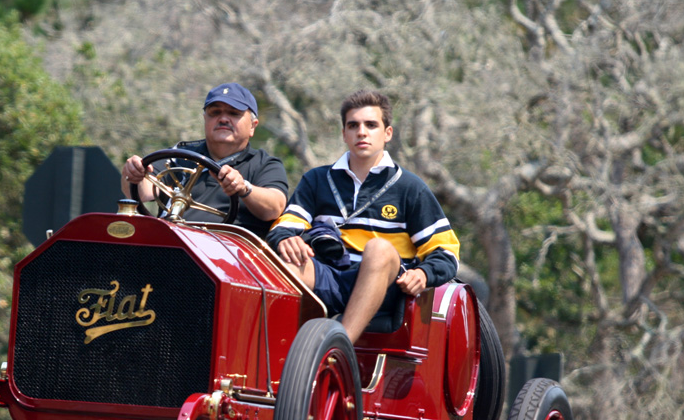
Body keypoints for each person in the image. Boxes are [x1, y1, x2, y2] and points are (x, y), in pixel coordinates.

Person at [267, 90, 460, 343]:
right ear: (344, 134)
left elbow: (447, 253)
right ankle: (270, 358)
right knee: (286, 264)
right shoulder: (316, 180)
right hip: (330, 275)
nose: (362, 132)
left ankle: (339, 348)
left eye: (371, 125)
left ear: (387, 134)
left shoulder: (410, 188)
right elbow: (283, 227)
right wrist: (284, 239)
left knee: (379, 249)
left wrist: (423, 274)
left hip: (385, 286)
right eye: (353, 125)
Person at [120, 82, 288, 238]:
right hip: (170, 242)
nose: (223, 119)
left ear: (252, 126)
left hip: (228, 255)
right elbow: (139, 192)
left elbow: (274, 208)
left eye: (233, 113)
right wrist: (134, 173)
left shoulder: (264, 164)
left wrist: (244, 188)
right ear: (205, 119)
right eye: (215, 112)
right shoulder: (179, 155)